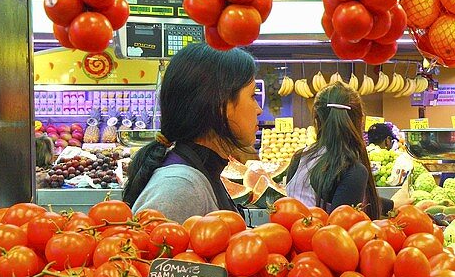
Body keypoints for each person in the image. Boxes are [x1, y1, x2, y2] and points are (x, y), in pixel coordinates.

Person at [123, 45, 259, 222]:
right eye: (252, 96)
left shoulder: (197, 174)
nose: (258, 109)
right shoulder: (179, 187)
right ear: (221, 105)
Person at [285, 83, 383, 218]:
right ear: (361, 121)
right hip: (324, 238)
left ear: (316, 120)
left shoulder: (299, 158)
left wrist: (392, 205)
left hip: (287, 237)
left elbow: (343, 193)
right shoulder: (353, 171)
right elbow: (341, 229)